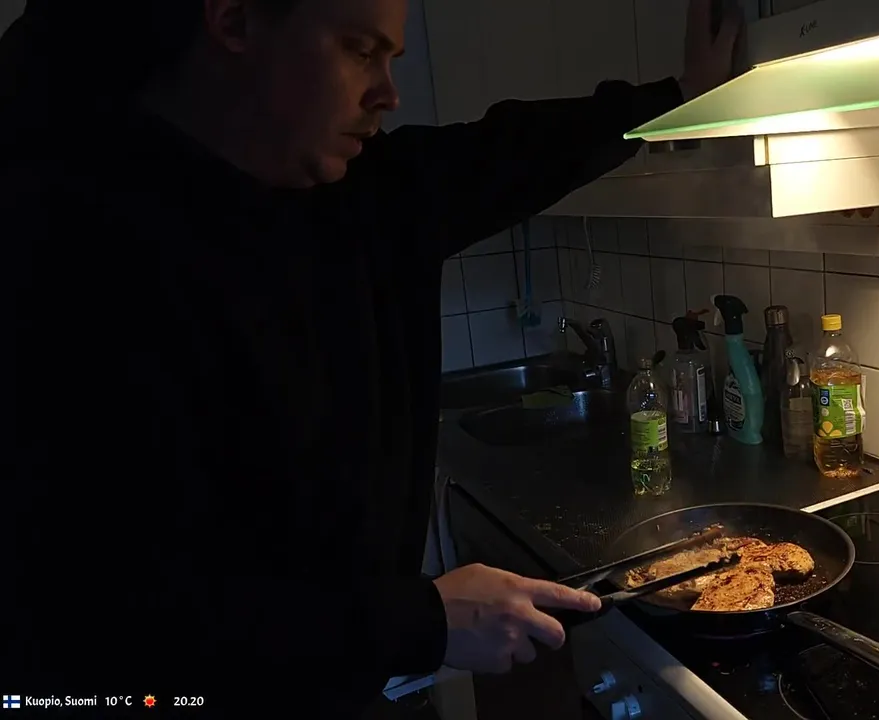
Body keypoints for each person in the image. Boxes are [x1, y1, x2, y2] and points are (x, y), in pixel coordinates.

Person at [3, 0, 740, 715]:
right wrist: (421, 623)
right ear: (235, 20)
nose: (388, 94)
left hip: (334, 683)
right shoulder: (67, 253)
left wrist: (679, 96)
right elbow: (119, 613)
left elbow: (511, 149)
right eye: (360, 50)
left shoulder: (360, 191)